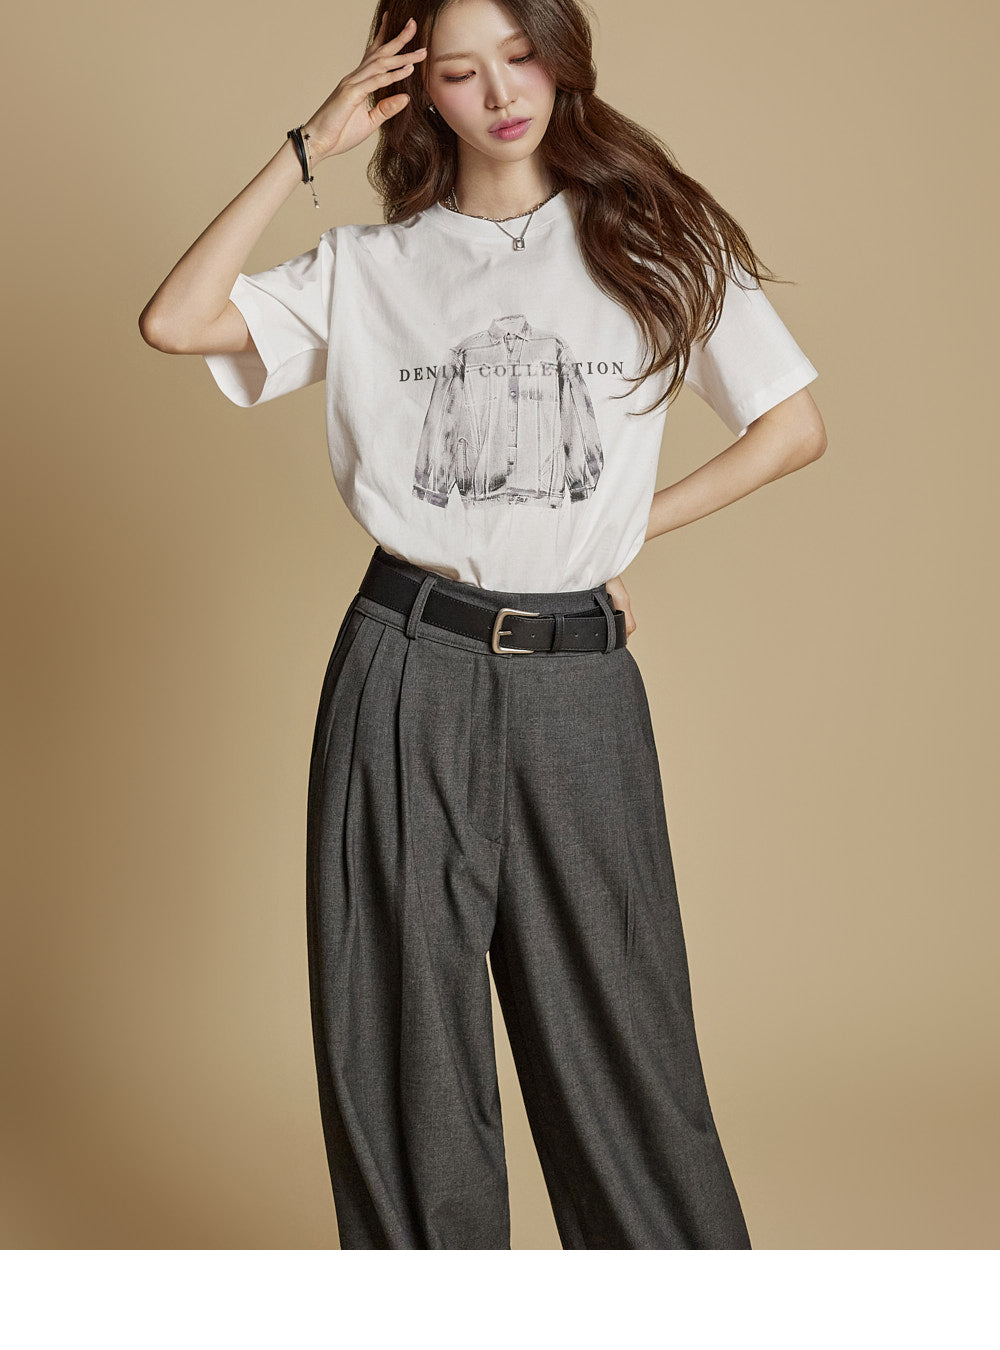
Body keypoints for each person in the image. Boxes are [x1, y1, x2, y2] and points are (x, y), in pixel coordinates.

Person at [138, 0, 825, 1250]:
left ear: (560, 57)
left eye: (519, 56)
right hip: (407, 665)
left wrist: (618, 535)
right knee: (402, 1052)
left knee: (628, 1050)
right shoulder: (370, 269)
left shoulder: (647, 239)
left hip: (577, 684)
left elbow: (791, 427)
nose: (502, 94)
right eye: (458, 70)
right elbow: (175, 322)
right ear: (416, 91)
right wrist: (307, 147)